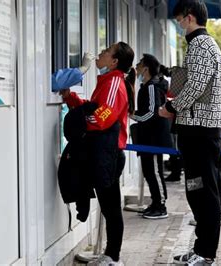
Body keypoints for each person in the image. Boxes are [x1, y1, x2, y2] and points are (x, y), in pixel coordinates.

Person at [159, 1, 221, 264]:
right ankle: (201, 249)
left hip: (199, 128)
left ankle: (206, 252)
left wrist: (172, 107)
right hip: (201, 128)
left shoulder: (200, 45)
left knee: (203, 192)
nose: (178, 25)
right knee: (198, 189)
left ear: (189, 18)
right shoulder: (206, 45)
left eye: (179, 20)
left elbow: (196, 85)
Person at [60, 42, 135, 265]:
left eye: (106, 52)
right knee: (108, 206)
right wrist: (72, 99)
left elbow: (101, 117)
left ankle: (113, 257)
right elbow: (94, 108)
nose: (100, 53)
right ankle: (108, 254)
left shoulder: (114, 83)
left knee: (111, 208)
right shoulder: (108, 81)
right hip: (102, 153)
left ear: (114, 62)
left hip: (107, 155)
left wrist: (78, 122)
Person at [133, 54, 173, 219]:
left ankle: (160, 204)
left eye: (140, 64)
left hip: (154, 136)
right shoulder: (147, 85)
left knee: (155, 171)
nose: (137, 67)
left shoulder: (151, 87)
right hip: (147, 135)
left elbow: (152, 112)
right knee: (149, 170)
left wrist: (134, 116)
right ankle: (155, 201)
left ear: (146, 68)